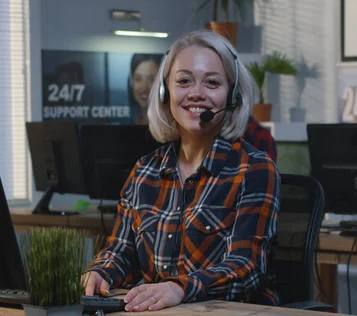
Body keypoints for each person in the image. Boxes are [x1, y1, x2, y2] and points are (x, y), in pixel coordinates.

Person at [84, 30, 280, 312]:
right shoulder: (144, 171)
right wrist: (101, 272)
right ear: (165, 92)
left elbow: (245, 267)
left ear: (233, 96)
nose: (196, 93)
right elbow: (120, 251)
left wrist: (179, 288)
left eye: (212, 83)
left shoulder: (254, 169)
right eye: (184, 81)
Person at [128, 54, 162, 125]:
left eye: (152, 80)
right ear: (131, 82)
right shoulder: (134, 121)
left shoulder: (167, 129)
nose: (144, 88)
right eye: (138, 79)